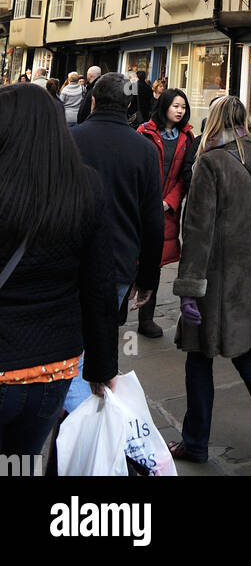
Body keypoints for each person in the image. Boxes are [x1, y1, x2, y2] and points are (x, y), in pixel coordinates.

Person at [170, 95, 251, 470]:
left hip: (215, 278)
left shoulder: (209, 161)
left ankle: (195, 442)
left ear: (214, 120)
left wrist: (189, 286)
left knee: (199, 357)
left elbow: (197, 229)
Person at [0, 83, 119, 455]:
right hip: (53, 368)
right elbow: (100, 286)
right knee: (20, 461)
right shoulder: (86, 186)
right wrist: (102, 368)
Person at [65, 72, 164, 409]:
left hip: (70, 261)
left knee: (70, 346)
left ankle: (76, 421)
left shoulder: (71, 140)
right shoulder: (145, 150)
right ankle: (95, 417)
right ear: (129, 105)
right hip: (119, 263)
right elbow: (153, 222)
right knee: (103, 340)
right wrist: (148, 277)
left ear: (92, 101)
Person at [135, 89, 195, 339]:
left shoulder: (187, 136)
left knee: (154, 262)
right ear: (164, 106)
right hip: (140, 205)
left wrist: (169, 202)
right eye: (175, 106)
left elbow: (186, 175)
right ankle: (114, 314)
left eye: (183, 106)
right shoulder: (144, 132)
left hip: (167, 209)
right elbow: (134, 167)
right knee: (130, 259)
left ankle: (145, 319)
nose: (180, 110)